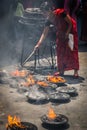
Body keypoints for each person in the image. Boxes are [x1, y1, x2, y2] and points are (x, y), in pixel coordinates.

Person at [34, 2, 79, 78]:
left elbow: (70, 23)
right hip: (61, 32)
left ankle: (76, 71)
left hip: (70, 31)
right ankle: (61, 71)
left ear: (50, 10)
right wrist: (38, 44)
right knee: (60, 51)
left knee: (71, 50)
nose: (44, 14)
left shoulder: (60, 12)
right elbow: (44, 33)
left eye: (44, 12)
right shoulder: (48, 20)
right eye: (42, 12)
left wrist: (67, 33)